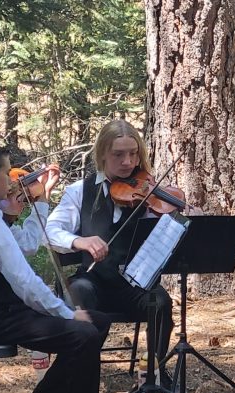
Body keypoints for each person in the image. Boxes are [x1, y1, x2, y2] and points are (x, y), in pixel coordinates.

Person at [0, 142, 117, 393]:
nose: (11, 181)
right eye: (6, 173)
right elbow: (25, 281)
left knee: (99, 322)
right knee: (83, 333)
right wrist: (67, 313)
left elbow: (30, 243)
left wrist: (41, 199)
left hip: (6, 310)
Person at [45, 120, 174, 375]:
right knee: (79, 291)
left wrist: (185, 217)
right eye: (118, 154)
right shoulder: (80, 191)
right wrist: (79, 241)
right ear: (102, 154)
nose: (128, 162)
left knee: (161, 302)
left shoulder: (149, 193)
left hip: (135, 285)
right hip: (94, 281)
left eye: (133, 153)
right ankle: (81, 372)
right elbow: (50, 231)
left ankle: (153, 374)